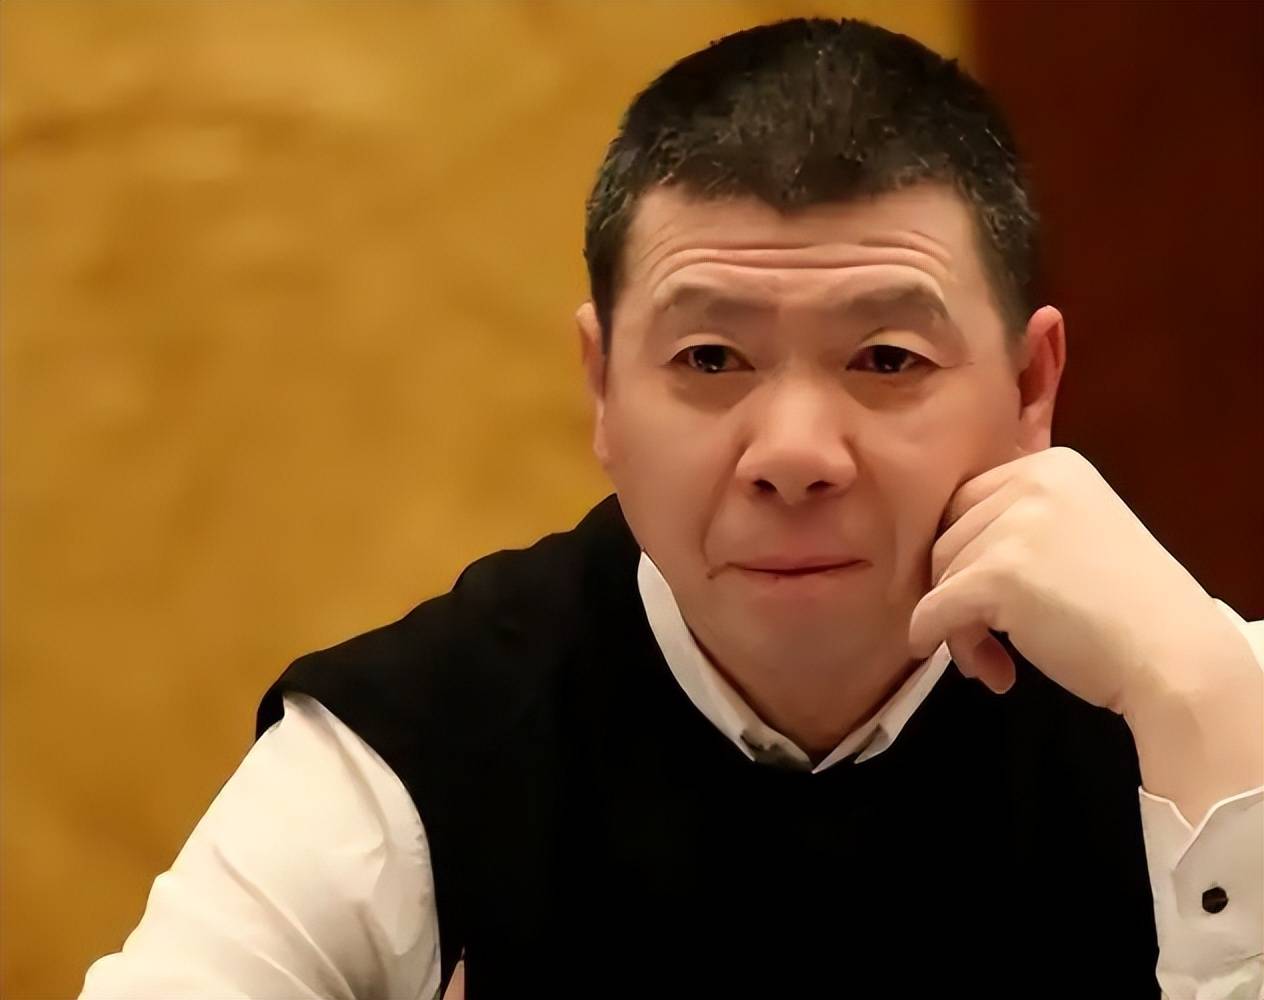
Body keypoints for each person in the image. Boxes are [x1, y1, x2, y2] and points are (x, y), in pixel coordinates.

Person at [81, 17, 1262, 999]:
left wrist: (1207, 708)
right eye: (709, 359)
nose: (794, 455)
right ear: (602, 387)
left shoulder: (1199, 695)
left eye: (886, 358)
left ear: (1029, 385)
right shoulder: (412, 753)